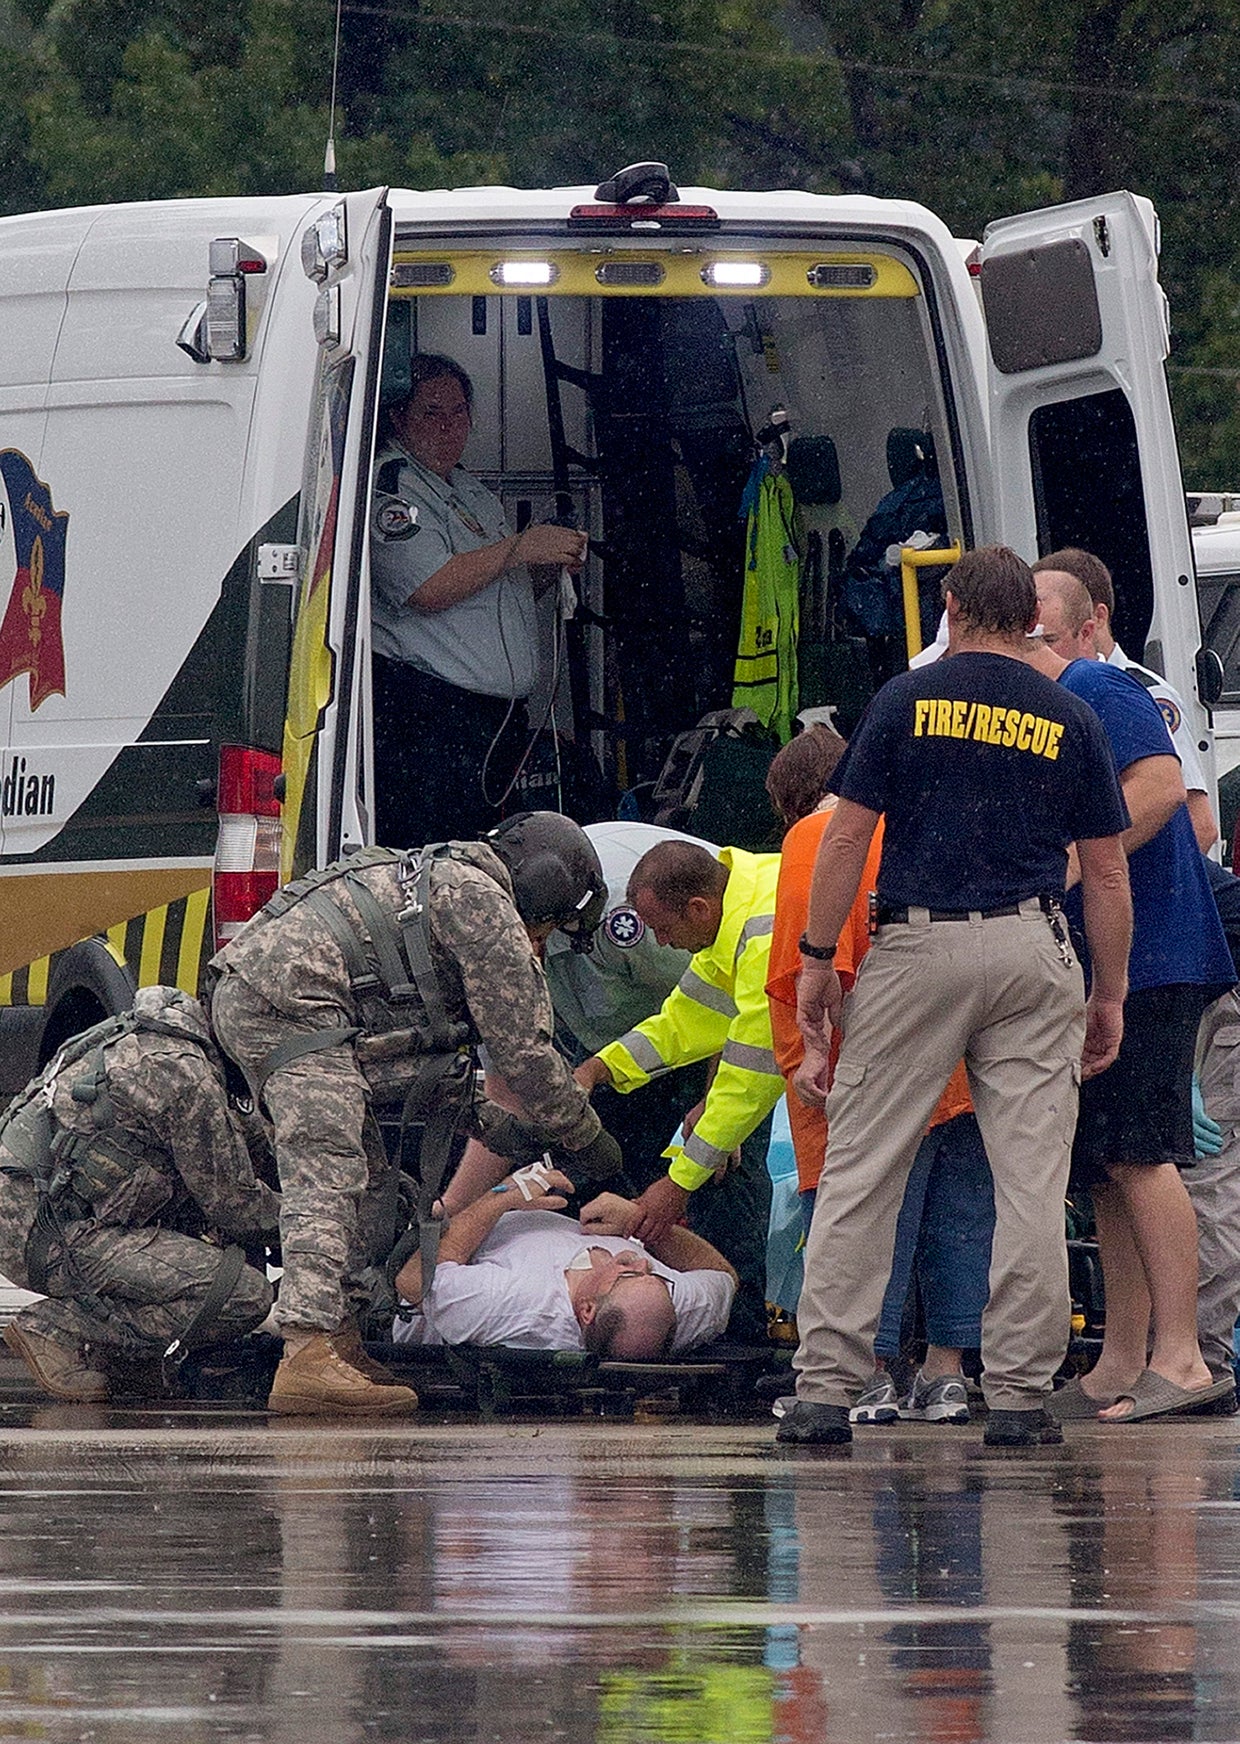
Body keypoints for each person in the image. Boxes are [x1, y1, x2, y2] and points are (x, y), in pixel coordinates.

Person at [780, 544, 1133, 1450]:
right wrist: (1110, 995)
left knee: (864, 1169)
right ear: (1030, 617)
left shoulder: (902, 702)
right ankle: (1017, 1396)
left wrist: (819, 957)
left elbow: (846, 840)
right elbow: (1104, 875)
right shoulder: (1071, 714)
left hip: (918, 948)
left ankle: (827, 1389)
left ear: (950, 607)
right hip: (1032, 947)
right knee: (1029, 1183)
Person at [209, 812, 623, 1418]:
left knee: (374, 1186)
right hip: (289, 1004)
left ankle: (341, 1344)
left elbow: (427, 1066)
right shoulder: (487, 907)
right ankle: (305, 1352)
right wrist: (588, 1140)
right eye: (553, 927)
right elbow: (525, 1056)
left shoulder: (446, 878)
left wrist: (498, 1127)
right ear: (539, 891)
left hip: (285, 997)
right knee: (330, 1172)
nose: (543, 944)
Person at [1030, 568, 1236, 1423]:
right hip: (1116, 963)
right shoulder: (1065, 701)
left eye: (1036, 633)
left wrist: (1074, 858)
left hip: (1155, 960)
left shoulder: (1099, 685)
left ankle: (1184, 1360)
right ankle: (1121, 1360)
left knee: (1145, 1153)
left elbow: (1160, 790)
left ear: (1082, 632)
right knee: (1111, 1163)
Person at [765, 726, 995, 1426]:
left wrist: (814, 1054)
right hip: (959, 1057)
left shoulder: (817, 834)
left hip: (865, 1058)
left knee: (867, 1221)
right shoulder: (936, 819)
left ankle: (867, 1374)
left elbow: (816, 953)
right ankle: (948, 1374)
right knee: (958, 1217)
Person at [0, 987, 278, 1403]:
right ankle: (56, 1328)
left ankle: (124, 1358)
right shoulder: (182, 1074)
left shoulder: (155, 1035)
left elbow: (246, 1142)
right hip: (44, 1234)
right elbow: (236, 1205)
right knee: (240, 1294)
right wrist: (320, 1221)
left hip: (41, 1215)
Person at [369, 353, 589, 846]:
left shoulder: (468, 490)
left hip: (491, 720)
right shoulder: (393, 487)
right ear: (398, 418)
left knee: (485, 851)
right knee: (441, 854)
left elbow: (495, 590)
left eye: (459, 411)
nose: (450, 426)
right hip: (429, 718)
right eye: (432, 413)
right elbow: (426, 588)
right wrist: (518, 547)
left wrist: (548, 569)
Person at [573, 839, 782, 1336]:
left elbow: (752, 1072)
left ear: (697, 908)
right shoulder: (734, 915)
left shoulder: (761, 933)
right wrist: (598, 1069)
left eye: (665, 930)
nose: (661, 944)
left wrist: (678, 1184)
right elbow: (682, 1024)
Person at [390, 1162, 736, 1358]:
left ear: (586, 1310)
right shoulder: (668, 1313)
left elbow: (414, 1281)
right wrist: (642, 1224)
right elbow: (721, 1275)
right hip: (574, 1208)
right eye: (658, 1277)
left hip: (465, 1220)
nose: (639, 1261)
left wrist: (499, 1199)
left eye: (628, 1275)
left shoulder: (515, 1304)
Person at [1033, 548, 1219, 853]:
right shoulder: (1062, 690)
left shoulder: (1147, 694)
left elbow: (1200, 825)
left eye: (1049, 639)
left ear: (1096, 618)